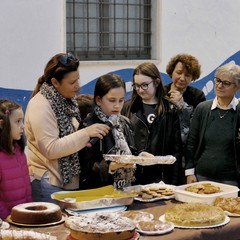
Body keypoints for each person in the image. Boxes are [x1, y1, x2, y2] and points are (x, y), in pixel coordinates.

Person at [24, 53, 110, 202]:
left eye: (78, 79)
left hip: (66, 182)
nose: (78, 86)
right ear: (55, 83)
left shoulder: (67, 101)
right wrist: (86, 133)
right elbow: (50, 149)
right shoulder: (41, 105)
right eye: (72, 82)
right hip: (48, 183)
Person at [79, 73, 152, 190]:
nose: (117, 106)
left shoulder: (125, 122)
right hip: (99, 193)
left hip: (127, 189)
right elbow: (84, 165)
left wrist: (141, 156)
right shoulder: (88, 125)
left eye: (121, 100)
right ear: (98, 100)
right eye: (112, 100)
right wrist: (110, 166)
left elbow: (132, 152)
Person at [121, 62, 183, 185]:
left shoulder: (170, 110)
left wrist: (174, 183)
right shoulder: (128, 108)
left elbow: (176, 149)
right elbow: (123, 142)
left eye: (144, 85)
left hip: (162, 176)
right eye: (136, 86)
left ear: (156, 82)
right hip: (134, 175)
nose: (140, 90)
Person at [185, 62, 240, 187]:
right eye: (218, 80)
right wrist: (189, 172)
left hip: (232, 180)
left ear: (237, 87)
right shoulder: (202, 109)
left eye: (226, 83)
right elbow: (191, 143)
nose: (219, 85)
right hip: (201, 176)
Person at [0, 99, 32, 220]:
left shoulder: (19, 151)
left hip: (23, 218)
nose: (22, 126)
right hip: (7, 222)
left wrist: (28, 211)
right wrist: (6, 217)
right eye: (18, 122)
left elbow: (26, 188)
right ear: (2, 124)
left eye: (22, 121)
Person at [164, 54, 206, 146]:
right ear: (171, 72)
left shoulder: (198, 96)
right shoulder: (160, 93)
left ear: (193, 77)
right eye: (179, 73)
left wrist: (183, 106)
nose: (182, 78)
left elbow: (200, 125)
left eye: (187, 75)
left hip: (187, 145)